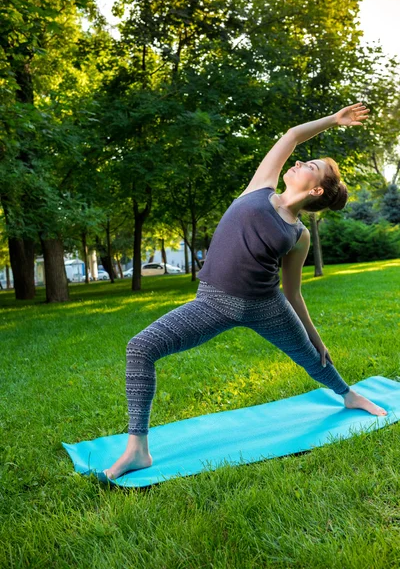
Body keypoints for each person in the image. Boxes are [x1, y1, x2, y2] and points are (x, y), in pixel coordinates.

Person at [103, 102, 387, 480]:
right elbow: (291, 136)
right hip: (213, 303)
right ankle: (137, 449)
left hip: (266, 306)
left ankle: (348, 395)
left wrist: (315, 339)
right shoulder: (259, 188)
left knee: (310, 357)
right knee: (140, 347)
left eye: (311, 166)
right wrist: (334, 121)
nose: (300, 162)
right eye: (304, 160)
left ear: (316, 188)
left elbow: (293, 292)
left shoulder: (298, 235)